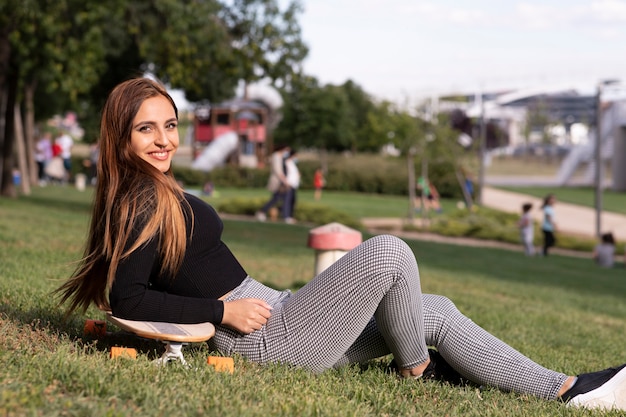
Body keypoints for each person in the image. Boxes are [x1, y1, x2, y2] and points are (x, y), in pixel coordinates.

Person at [54, 78, 626, 412]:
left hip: (280, 314)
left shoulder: (151, 192)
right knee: (390, 252)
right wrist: (221, 311)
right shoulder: (141, 202)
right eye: (146, 129)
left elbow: (145, 286)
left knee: (433, 311)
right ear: (120, 136)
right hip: (264, 338)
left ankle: (568, 391)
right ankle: (417, 372)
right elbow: (128, 297)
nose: (163, 140)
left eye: (170, 125)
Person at [256, 144, 291, 222]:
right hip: (278, 182)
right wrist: (285, 181)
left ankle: (285, 215)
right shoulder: (276, 156)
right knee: (276, 199)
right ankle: (262, 211)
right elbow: (277, 170)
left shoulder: (282, 157)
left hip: (282, 182)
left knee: (282, 199)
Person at [283, 149, 300, 224]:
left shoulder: (292, 163)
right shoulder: (286, 163)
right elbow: (285, 174)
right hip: (289, 184)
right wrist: (286, 183)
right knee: (288, 201)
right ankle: (287, 216)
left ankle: (290, 216)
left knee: (293, 201)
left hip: (294, 185)